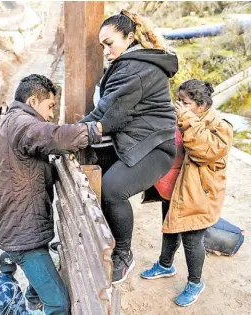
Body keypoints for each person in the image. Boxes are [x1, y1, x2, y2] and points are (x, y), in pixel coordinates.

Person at [0, 74, 134, 314]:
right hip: (24, 238)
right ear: (34, 101)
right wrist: (95, 129)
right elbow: (55, 136)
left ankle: (33, 303)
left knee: (39, 290)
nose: (51, 114)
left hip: (22, 228)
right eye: (50, 106)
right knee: (58, 303)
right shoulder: (21, 124)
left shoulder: (11, 122)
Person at [79, 10, 179, 284]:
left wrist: (63, 135)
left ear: (130, 37)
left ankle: (123, 253)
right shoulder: (128, 63)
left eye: (109, 43)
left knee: (112, 190)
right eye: (102, 46)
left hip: (155, 147)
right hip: (137, 141)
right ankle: (98, 237)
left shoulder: (136, 67)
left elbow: (107, 116)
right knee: (96, 179)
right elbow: (107, 110)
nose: (106, 50)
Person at [140, 79, 233, 307]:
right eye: (178, 100)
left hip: (197, 195)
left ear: (201, 105)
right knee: (169, 228)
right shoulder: (181, 117)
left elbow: (204, 151)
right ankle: (165, 265)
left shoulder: (220, 127)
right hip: (174, 188)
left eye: (185, 102)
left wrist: (187, 119)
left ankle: (195, 283)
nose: (179, 105)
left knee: (192, 241)